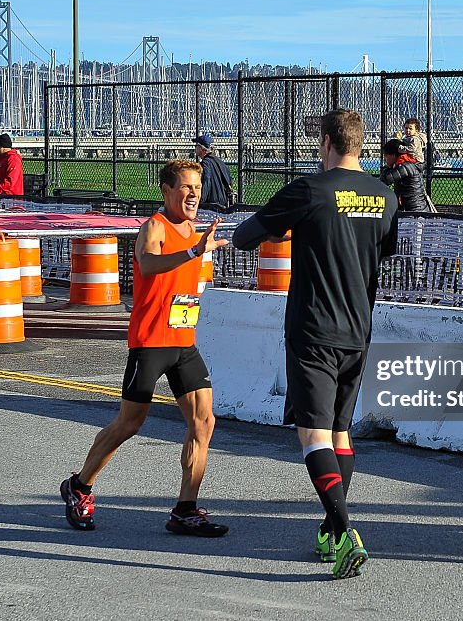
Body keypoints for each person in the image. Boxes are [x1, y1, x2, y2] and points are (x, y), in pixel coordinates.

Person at [232, 108, 398, 580]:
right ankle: (331, 527)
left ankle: (345, 530)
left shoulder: (309, 189)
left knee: (312, 435)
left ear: (326, 142)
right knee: (340, 434)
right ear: (360, 144)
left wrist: (290, 228)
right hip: (357, 330)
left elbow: (246, 236)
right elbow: (380, 249)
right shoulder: (385, 197)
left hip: (313, 328)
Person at [60, 159, 230, 537]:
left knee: (204, 421)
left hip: (183, 341)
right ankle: (80, 486)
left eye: (198, 188)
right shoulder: (155, 226)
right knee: (129, 422)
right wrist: (191, 253)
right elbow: (148, 264)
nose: (194, 194)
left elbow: (191, 286)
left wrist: (202, 257)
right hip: (151, 341)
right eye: (186, 187)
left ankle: (186, 509)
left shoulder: (197, 231)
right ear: (167, 190)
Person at [379, 138, 432, 213]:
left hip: (415, 210)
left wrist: (387, 168)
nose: (385, 159)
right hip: (413, 208)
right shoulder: (405, 164)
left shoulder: (405, 166)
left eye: (386, 155)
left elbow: (385, 180)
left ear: (393, 155)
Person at [193, 134, 233, 210]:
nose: (195, 148)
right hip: (223, 202)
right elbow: (229, 181)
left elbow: (206, 181)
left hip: (211, 203)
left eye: (196, 146)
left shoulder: (205, 163)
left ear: (202, 148)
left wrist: (200, 201)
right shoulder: (220, 161)